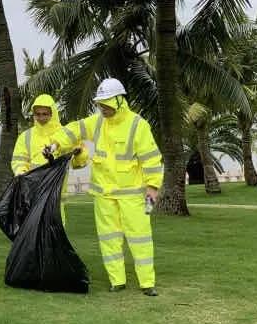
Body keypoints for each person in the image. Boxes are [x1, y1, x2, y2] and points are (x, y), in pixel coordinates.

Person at [47, 78, 163, 296]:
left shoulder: (138, 125)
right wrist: (55, 144)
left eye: (106, 104)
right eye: (100, 104)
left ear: (119, 100)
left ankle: (147, 283)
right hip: (103, 194)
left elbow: (151, 159)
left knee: (140, 238)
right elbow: (74, 130)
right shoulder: (98, 122)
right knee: (109, 238)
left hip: (132, 195)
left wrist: (152, 188)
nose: (103, 108)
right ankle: (117, 281)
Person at [11, 94, 89, 224]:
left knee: (54, 233)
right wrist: (20, 172)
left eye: (45, 114)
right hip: (32, 196)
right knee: (33, 233)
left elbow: (78, 163)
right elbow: (19, 160)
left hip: (55, 198)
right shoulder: (26, 136)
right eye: (38, 114)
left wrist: (79, 154)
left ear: (53, 113)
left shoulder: (65, 134)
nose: (41, 118)